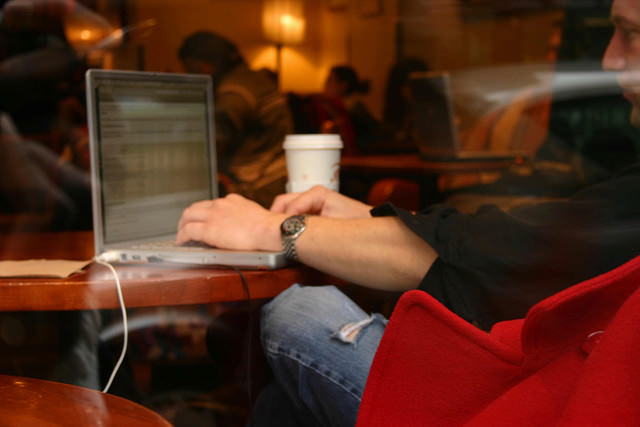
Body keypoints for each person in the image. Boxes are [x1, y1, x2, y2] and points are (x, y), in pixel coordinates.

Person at [176, 1, 640, 425]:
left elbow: (513, 256)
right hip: (548, 377)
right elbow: (525, 239)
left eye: (630, 33)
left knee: (298, 311)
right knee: (284, 403)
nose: (609, 60)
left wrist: (278, 229)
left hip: (518, 405)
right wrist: (367, 217)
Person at [178, 31, 293, 207]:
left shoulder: (235, 92)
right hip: (277, 177)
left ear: (204, 66)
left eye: (188, 67)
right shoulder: (252, 79)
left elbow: (212, 143)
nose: (188, 74)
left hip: (260, 187)